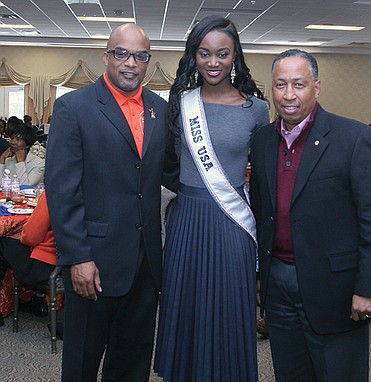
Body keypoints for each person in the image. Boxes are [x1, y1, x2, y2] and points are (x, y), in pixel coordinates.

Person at [250, 49, 371, 381]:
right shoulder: (261, 141)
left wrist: (370, 287)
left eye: (298, 84)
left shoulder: (353, 138)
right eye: (280, 84)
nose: (289, 95)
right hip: (279, 283)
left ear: (317, 87)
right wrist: (261, 275)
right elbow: (262, 213)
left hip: (336, 287)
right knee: (290, 372)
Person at [46, 23, 177, 381]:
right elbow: (62, 190)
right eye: (121, 53)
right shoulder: (74, 107)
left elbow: (169, 173)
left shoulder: (159, 109)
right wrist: (79, 257)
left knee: (133, 362)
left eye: (140, 55)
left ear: (148, 61)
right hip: (95, 263)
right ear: (106, 56)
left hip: (146, 264)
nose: (130, 62)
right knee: (83, 361)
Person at [154, 16, 269, 382]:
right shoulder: (181, 103)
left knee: (229, 308)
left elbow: (265, 180)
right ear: (194, 56)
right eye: (204, 53)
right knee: (186, 305)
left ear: (235, 56)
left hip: (231, 222)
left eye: (223, 53)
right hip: (187, 219)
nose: (213, 62)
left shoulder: (257, 109)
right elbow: (169, 163)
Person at [0, 191, 56, 327]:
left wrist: (21, 235)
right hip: (65, 262)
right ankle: (24, 299)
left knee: (2, 244)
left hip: (44, 265)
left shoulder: (53, 193)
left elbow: (31, 237)